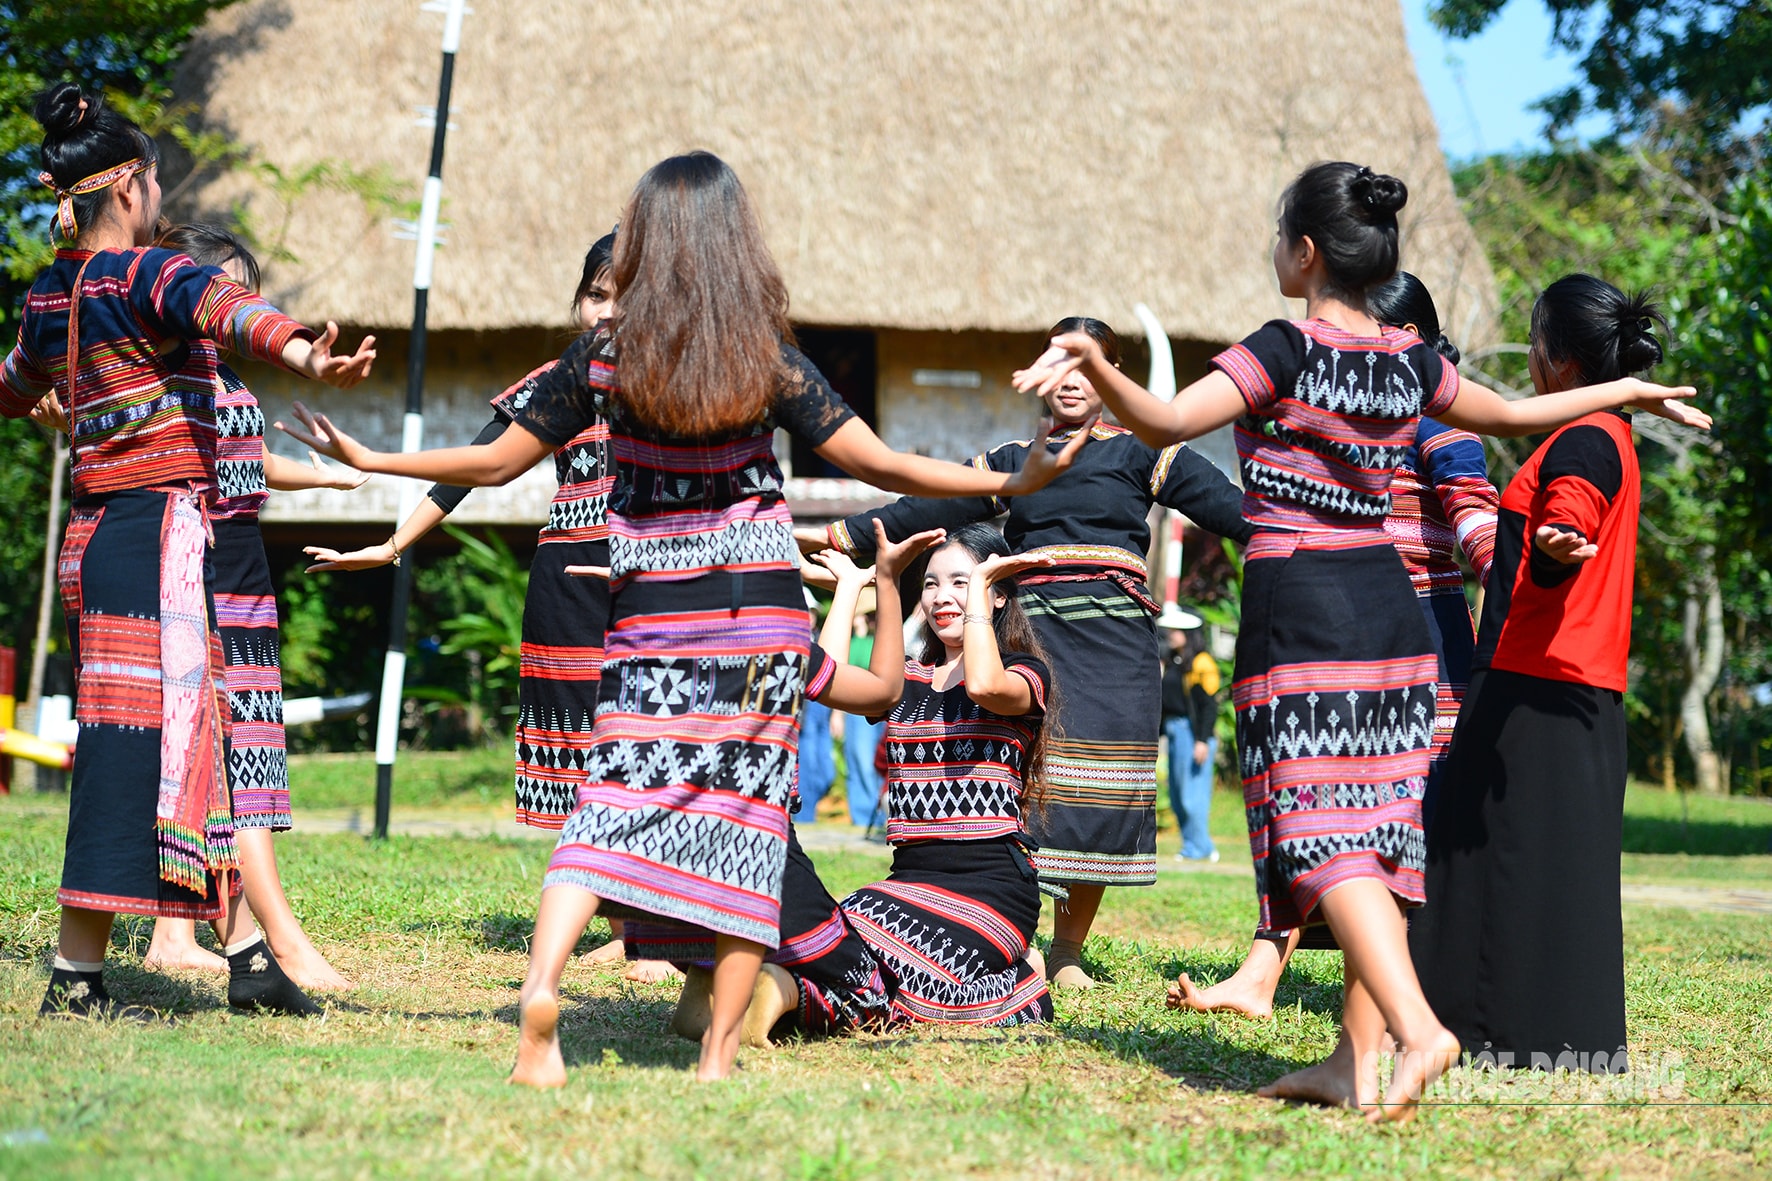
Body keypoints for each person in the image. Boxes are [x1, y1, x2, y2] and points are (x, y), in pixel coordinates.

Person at [276, 151, 1092, 1083]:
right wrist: (1006, 480)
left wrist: (379, 460)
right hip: (753, 625)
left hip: (645, 623)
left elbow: (496, 462)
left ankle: (541, 988)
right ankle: (713, 1055)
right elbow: (885, 463)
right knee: (746, 826)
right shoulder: (763, 355)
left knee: (608, 806)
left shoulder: (604, 354)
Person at [1015, 161, 1705, 1121]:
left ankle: (1418, 1029)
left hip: (1303, 601)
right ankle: (1353, 1059)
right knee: (1381, 840)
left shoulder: (1284, 350)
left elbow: (1170, 419)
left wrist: (1093, 364)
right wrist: (1620, 393)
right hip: (1395, 616)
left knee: (1312, 829)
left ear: (1304, 254)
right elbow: (1507, 413)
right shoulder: (1409, 360)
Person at [1, 84, 375, 1019]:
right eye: (156, 180)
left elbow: (11, 385)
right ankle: (86, 975)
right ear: (127, 188)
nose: (161, 196)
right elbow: (231, 308)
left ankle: (233, 959)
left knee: (146, 743)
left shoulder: (52, 294)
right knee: (162, 745)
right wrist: (307, 355)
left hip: (95, 543)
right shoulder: (149, 275)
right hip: (158, 534)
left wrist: (67, 400)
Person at [815, 316, 1250, 989]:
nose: (1073, 381)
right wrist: (845, 538)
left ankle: (1068, 949)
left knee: (1097, 790)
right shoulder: (1015, 461)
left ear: (1112, 376)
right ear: (1040, 374)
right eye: (1061, 365)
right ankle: (1007, 921)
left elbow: (1230, 508)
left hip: (1115, 645)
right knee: (1023, 781)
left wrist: (1303, 540)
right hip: (1034, 635)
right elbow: (929, 502)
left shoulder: (1145, 452)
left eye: (1090, 366)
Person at [301, 232, 681, 983]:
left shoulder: (681, 379)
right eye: (596, 294)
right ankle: (627, 929)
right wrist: (393, 543)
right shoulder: (559, 379)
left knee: (653, 747)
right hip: (565, 590)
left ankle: (669, 926)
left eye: (626, 296)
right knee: (582, 761)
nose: (608, 311)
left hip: (654, 585)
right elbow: (474, 468)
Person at [1168, 270, 1498, 1017]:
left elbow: (1474, 512)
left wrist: (1507, 572)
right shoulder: (1344, 400)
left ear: (1404, 338)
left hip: (1422, 632)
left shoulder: (1437, 421)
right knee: (1313, 797)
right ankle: (1267, 975)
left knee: (1387, 817)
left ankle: (1399, 1001)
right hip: (1338, 621)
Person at [1409, 274, 1672, 1075]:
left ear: (1558, 358)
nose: (1527, 354)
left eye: (1533, 338)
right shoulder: (1614, 429)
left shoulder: (1586, 435)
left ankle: (1473, 1027)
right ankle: (1561, 1036)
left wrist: (1560, 534)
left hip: (1534, 677)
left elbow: (1573, 504)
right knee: (1551, 865)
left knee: (1470, 850)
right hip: (1583, 685)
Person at [680, 523, 1059, 1040]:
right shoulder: (907, 677)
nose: (942, 597)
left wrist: (985, 589)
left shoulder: (1022, 673)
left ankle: (782, 993)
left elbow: (983, 683)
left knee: (902, 967)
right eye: (929, 584)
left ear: (996, 597)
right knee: (834, 941)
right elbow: (829, 681)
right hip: (903, 885)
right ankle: (781, 992)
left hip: (989, 891)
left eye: (961, 583)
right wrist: (851, 590)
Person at [127, 224, 367, 992]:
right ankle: (279, 936)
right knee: (225, 758)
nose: (231, 304)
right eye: (217, 288)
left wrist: (327, 482)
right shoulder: (158, 370)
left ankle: (174, 929)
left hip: (243, 569)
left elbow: (247, 460)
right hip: (193, 568)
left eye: (242, 291)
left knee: (238, 753)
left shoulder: (225, 377)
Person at [1160, 620, 1220, 863]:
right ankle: (1192, 845)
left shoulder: (1202, 662)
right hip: (1174, 730)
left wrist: (1202, 740)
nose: (1171, 634)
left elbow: (1208, 705)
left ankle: (1201, 847)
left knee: (1192, 794)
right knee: (1177, 793)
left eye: (1176, 630)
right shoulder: (1176, 661)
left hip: (1191, 733)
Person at [841, 612, 885, 827]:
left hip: (883, 708)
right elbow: (848, 666)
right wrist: (858, 632)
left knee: (877, 763)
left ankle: (877, 816)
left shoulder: (885, 639)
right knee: (859, 761)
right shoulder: (855, 642)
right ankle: (863, 817)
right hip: (857, 710)